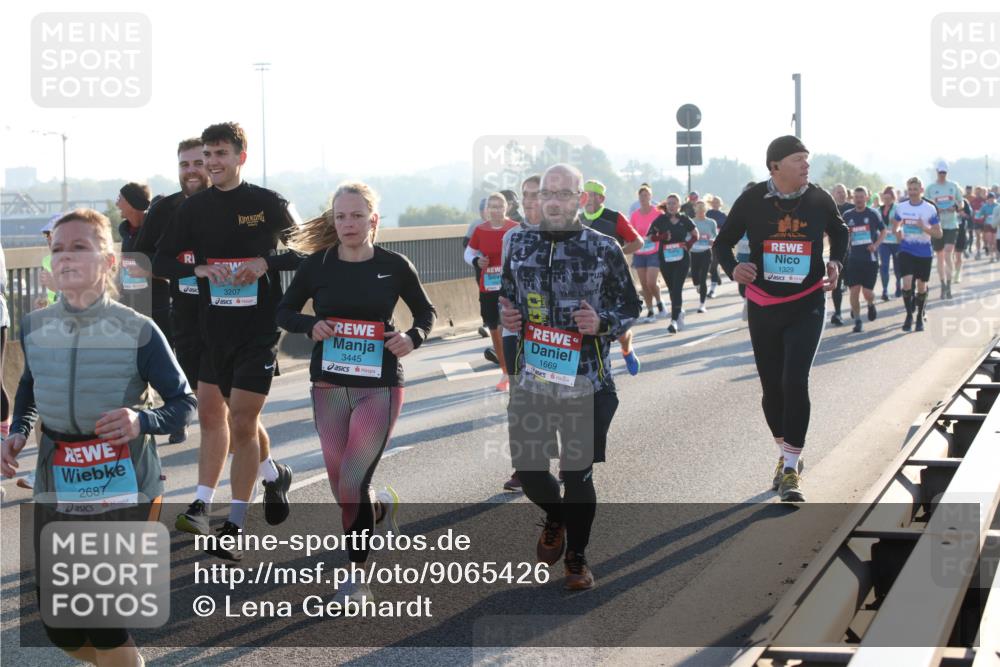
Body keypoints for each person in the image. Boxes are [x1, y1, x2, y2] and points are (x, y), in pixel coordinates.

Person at [2, 208, 195, 667]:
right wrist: (19, 431)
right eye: (57, 250)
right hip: (58, 478)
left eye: (80, 247)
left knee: (104, 619)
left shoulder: (139, 329)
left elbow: (183, 403)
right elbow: (30, 388)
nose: (65, 258)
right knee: (60, 626)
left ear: (109, 262)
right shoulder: (34, 327)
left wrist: (139, 420)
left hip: (124, 481)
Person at [277, 181, 435, 602]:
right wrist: (309, 325)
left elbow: (425, 312)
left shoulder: (394, 264)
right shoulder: (317, 265)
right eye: (341, 216)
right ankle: (377, 508)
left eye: (356, 216)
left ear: (373, 220)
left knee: (350, 482)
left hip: (379, 385)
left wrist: (413, 337)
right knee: (342, 485)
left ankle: (355, 576)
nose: (348, 224)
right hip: (328, 383)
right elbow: (284, 310)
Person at [153, 122, 301, 560]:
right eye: (208, 154)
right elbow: (161, 260)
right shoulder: (193, 210)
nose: (213, 162)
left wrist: (264, 262)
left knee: (240, 418)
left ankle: (234, 525)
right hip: (211, 330)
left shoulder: (267, 203)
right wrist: (197, 270)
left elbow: (307, 249)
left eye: (221, 154)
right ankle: (273, 476)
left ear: (241, 157)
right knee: (235, 422)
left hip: (258, 329)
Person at [499, 163, 640, 590]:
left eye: (564, 194)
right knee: (529, 467)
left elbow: (629, 306)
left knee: (576, 473)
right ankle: (556, 515)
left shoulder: (603, 247)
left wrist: (601, 323)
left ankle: (576, 559)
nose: (554, 201)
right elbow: (507, 294)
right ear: (538, 199)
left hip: (585, 381)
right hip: (532, 377)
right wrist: (508, 313)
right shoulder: (519, 243)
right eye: (548, 193)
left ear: (581, 200)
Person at [714, 136, 848, 503]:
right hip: (763, 303)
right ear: (775, 167)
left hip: (807, 302)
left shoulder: (819, 198)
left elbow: (840, 231)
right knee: (772, 387)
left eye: (808, 159)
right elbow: (721, 243)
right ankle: (784, 451)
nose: (806, 165)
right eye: (798, 160)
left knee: (795, 379)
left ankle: (791, 468)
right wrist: (733, 268)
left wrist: (836, 262)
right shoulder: (752, 199)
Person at [139, 138, 212, 444]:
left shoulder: (234, 203)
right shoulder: (165, 208)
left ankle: (261, 470)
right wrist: (181, 269)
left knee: (236, 406)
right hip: (186, 311)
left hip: (236, 313)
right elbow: (139, 260)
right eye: (185, 164)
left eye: (199, 163)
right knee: (202, 393)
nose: (191, 170)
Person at [500, 175, 543, 493]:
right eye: (525, 195)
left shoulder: (567, 236)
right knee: (519, 400)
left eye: (536, 195)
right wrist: (506, 311)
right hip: (517, 332)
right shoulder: (511, 237)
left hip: (553, 335)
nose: (529, 201)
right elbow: (505, 283)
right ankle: (524, 469)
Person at [580, 179, 643, 373]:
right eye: (585, 194)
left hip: (613, 281)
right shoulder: (577, 220)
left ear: (602, 198)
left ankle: (627, 350)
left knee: (621, 331)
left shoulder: (615, 218)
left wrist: (616, 255)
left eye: (592, 195)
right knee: (587, 326)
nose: (588, 198)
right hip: (586, 282)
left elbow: (637, 242)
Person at [464, 193, 518, 392]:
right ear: (487, 210)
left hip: (509, 283)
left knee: (509, 326)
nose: (495, 210)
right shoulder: (480, 229)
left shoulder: (514, 228)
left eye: (499, 206)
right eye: (492, 206)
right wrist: (477, 261)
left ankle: (512, 371)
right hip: (488, 284)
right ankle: (504, 370)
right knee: (493, 327)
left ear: (506, 208)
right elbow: (468, 252)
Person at [893, 177, 943, 332]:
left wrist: (924, 228)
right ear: (908, 190)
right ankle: (909, 315)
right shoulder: (901, 207)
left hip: (924, 252)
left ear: (921, 190)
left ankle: (920, 315)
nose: (913, 193)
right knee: (906, 283)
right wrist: (897, 233)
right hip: (906, 250)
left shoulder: (929, 208)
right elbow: (895, 225)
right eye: (910, 190)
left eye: (915, 189)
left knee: (922, 286)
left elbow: (939, 233)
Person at [648, 194, 699, 333]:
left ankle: (674, 321)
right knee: (671, 290)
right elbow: (650, 236)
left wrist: (688, 245)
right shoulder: (661, 219)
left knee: (677, 289)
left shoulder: (684, 219)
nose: (671, 206)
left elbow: (696, 234)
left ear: (679, 205)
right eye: (669, 203)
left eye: (674, 203)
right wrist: (662, 237)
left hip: (682, 259)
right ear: (667, 205)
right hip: (665, 259)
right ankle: (679, 312)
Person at [843, 187, 886, 332]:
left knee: (867, 293)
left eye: (861, 197)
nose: (859, 199)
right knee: (854, 291)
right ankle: (857, 320)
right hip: (853, 259)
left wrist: (876, 245)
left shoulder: (873, 214)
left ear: (866, 198)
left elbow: (884, 230)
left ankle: (870, 304)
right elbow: (842, 234)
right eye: (856, 197)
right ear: (853, 198)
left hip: (870, 259)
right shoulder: (847, 215)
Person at [924, 161, 963, 299]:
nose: (942, 175)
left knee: (948, 253)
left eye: (944, 172)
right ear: (937, 172)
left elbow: (961, 202)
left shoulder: (953, 186)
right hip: (937, 226)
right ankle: (942, 284)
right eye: (940, 172)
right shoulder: (930, 188)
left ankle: (949, 284)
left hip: (951, 225)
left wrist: (956, 207)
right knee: (940, 256)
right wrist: (935, 209)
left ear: (947, 172)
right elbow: (925, 204)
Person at [628, 185, 667, 321]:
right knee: (644, 284)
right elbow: (630, 232)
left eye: (646, 195)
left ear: (650, 196)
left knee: (651, 282)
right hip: (639, 252)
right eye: (641, 196)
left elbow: (665, 229)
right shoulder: (635, 215)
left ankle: (660, 302)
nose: (643, 198)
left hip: (654, 251)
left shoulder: (657, 213)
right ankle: (650, 310)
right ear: (638, 198)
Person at [828, 183, 853, 325]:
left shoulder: (852, 208)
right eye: (838, 192)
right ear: (833, 194)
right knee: (836, 282)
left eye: (843, 191)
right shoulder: (830, 209)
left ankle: (853, 306)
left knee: (852, 283)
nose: (841, 194)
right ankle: (837, 313)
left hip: (852, 251)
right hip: (836, 251)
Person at [689, 200, 718, 313]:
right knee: (695, 276)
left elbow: (715, 235)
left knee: (703, 277)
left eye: (702, 210)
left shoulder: (711, 222)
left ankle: (702, 304)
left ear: (705, 210)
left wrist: (712, 240)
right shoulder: (691, 222)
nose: (700, 212)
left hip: (706, 251)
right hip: (694, 252)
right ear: (695, 210)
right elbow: (687, 235)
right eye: (698, 209)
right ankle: (697, 286)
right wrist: (690, 240)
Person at [878, 186, 902, 300]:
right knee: (884, 266)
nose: (886, 200)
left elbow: (902, 222)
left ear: (893, 198)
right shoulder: (878, 210)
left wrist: (896, 224)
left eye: (889, 198)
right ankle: (885, 290)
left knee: (897, 267)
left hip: (896, 242)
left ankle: (898, 285)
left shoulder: (897, 208)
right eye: (885, 197)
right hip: (884, 242)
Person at [705, 194, 727, 297]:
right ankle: (716, 275)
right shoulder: (707, 213)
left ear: (720, 204)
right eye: (713, 202)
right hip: (706, 243)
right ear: (711, 203)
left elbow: (728, 229)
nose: (715, 204)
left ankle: (712, 290)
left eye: (717, 202)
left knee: (714, 265)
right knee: (708, 266)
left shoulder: (723, 216)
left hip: (718, 243)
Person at [981, 192, 998, 263]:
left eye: (992, 198)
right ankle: (992, 256)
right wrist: (983, 216)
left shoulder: (998, 206)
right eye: (989, 198)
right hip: (987, 225)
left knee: (995, 242)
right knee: (990, 241)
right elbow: (979, 215)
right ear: (987, 199)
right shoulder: (984, 207)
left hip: (996, 225)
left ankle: (997, 254)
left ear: (995, 198)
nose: (991, 199)